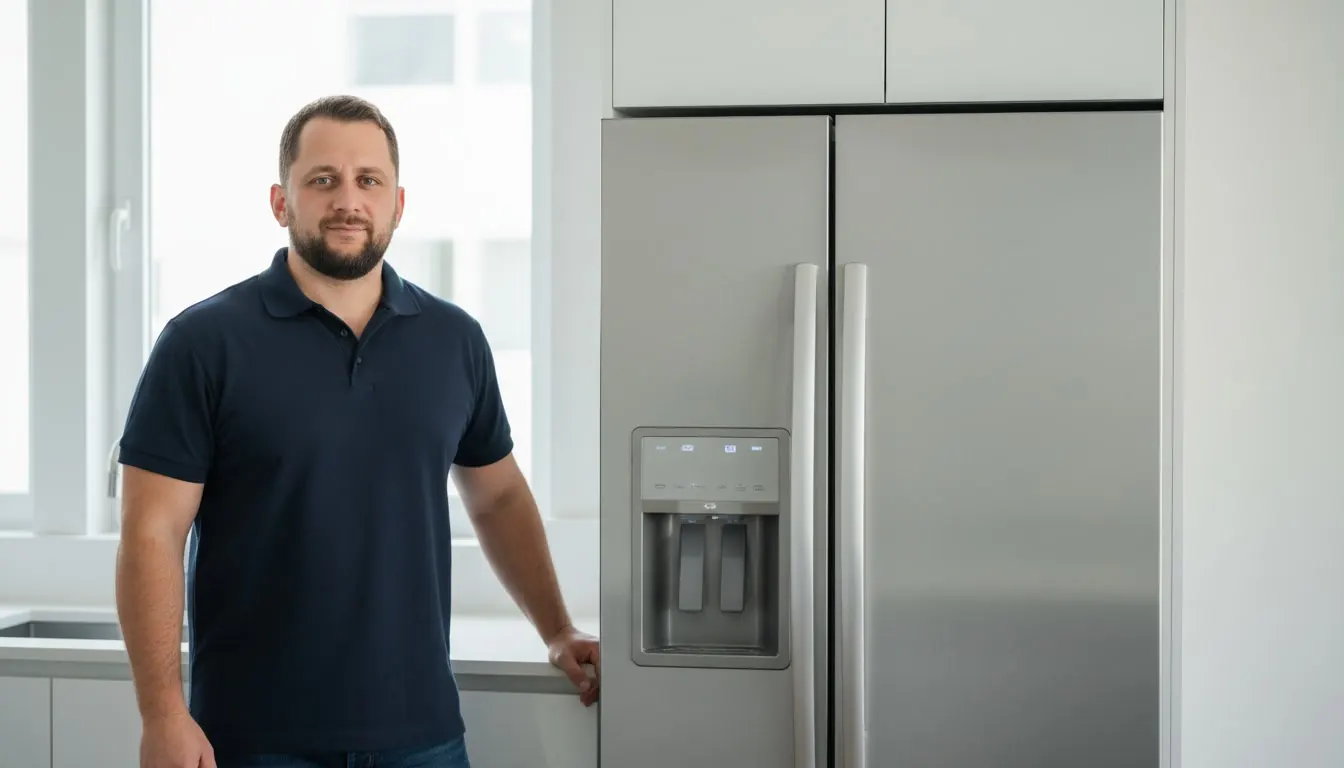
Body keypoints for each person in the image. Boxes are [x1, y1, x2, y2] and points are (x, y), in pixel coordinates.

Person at [114, 94, 599, 768]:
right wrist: (162, 715)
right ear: (281, 202)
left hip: (422, 735)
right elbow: (152, 532)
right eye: (323, 180)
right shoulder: (202, 344)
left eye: (369, 180)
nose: (348, 200)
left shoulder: (454, 340)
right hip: (252, 740)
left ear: (398, 204)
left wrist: (557, 628)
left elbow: (499, 497)